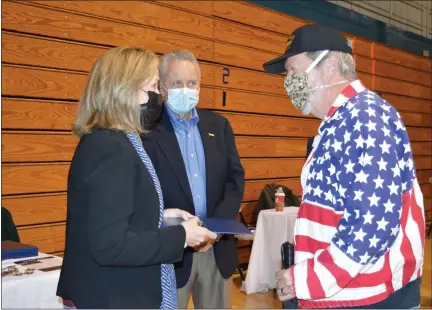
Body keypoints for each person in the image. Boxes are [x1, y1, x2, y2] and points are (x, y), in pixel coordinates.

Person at [263, 24, 425, 309]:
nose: (288, 81)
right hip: (347, 294)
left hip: (369, 297)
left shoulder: (365, 118)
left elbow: (371, 224)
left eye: (293, 70)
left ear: (329, 66)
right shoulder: (341, 121)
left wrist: (307, 278)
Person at [56, 46, 217, 309]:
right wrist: (180, 236)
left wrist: (163, 217)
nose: (159, 95)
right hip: (110, 296)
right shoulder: (109, 147)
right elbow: (111, 245)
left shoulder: (116, 141)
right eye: (154, 86)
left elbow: (112, 215)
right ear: (125, 89)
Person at [141, 50, 245, 309]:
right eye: (177, 83)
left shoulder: (219, 126)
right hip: (171, 252)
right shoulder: (146, 129)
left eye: (192, 83)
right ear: (162, 86)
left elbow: (235, 179)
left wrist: (215, 231)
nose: (185, 89)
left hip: (215, 249)